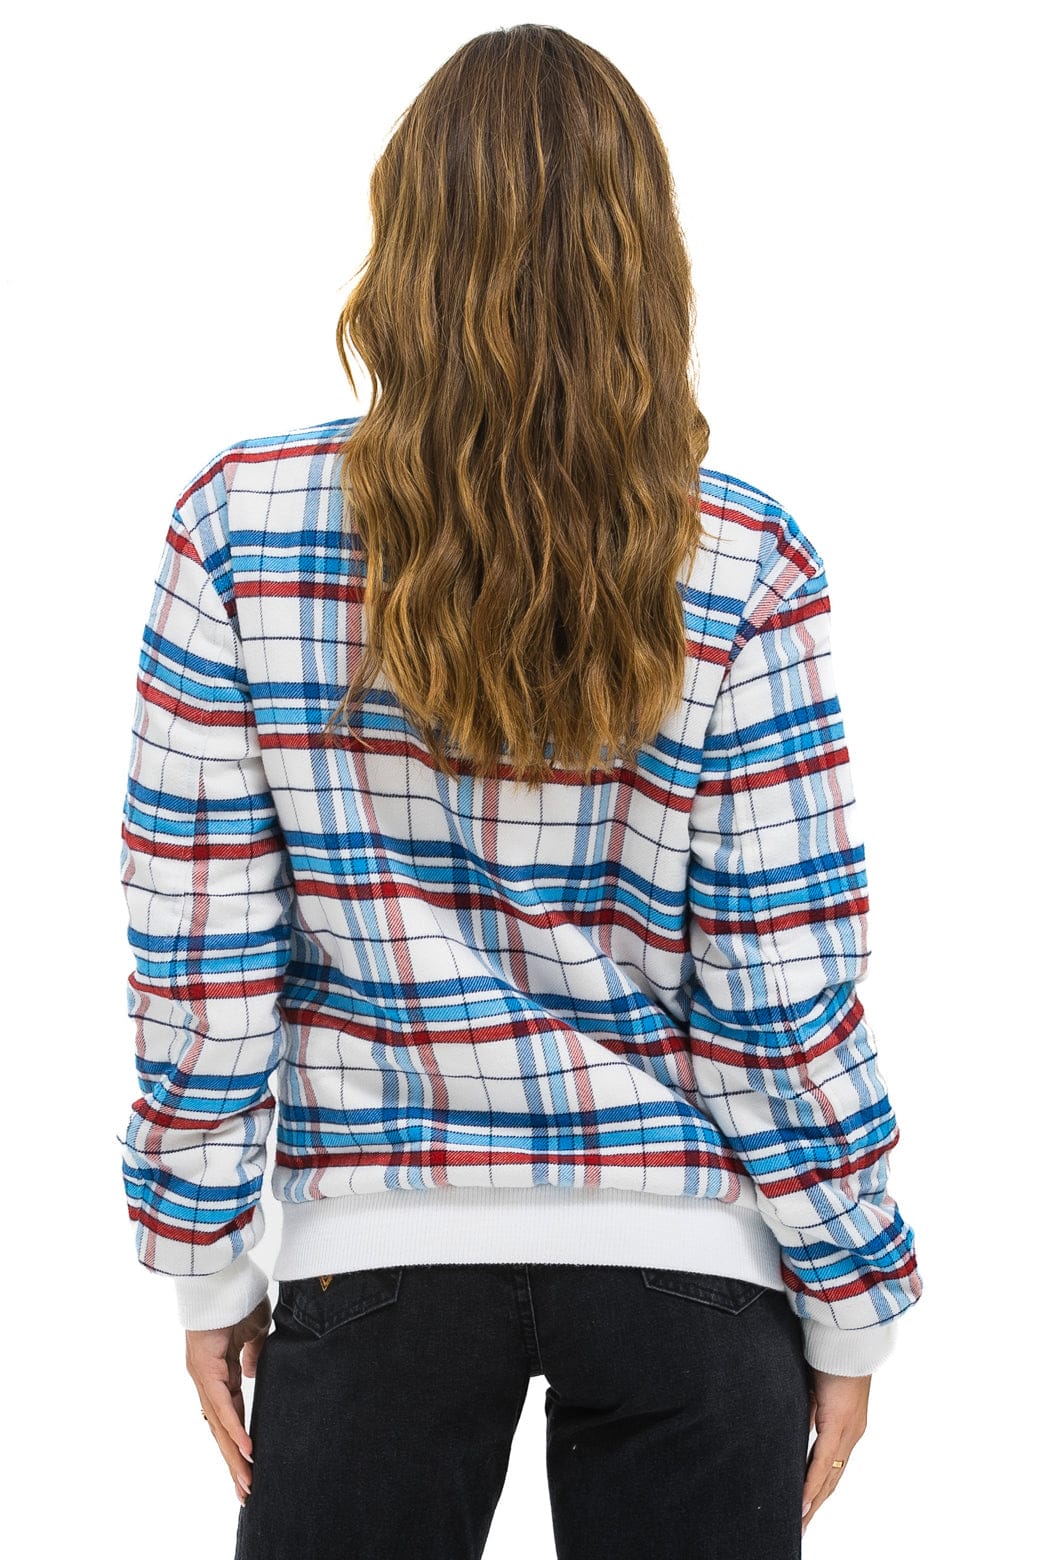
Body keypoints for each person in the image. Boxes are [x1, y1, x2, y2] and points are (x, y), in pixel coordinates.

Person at [116, 22, 923, 1560]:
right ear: (648, 257)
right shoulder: (747, 558)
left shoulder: (237, 524)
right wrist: (852, 1301)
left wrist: (203, 1264)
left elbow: (201, 953)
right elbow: (782, 986)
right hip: (698, 1266)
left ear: (403, 240)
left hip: (373, 1260)